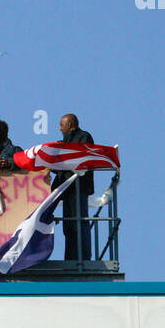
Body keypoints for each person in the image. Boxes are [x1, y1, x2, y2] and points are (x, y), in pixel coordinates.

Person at [53, 113, 95, 263]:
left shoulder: (84, 137)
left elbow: (79, 158)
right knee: (69, 225)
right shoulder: (65, 142)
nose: (60, 129)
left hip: (79, 187)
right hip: (68, 189)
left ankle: (82, 258)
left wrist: (59, 157)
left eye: (61, 125)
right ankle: (70, 258)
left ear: (70, 125)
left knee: (78, 222)